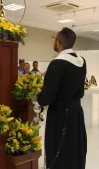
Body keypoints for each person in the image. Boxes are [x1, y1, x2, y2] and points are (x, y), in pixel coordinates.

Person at [36, 27, 87, 169]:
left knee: (58, 150)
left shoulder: (57, 64)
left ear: (58, 42)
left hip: (60, 115)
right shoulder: (81, 61)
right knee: (74, 149)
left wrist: (39, 94)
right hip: (76, 112)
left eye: (54, 39)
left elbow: (47, 96)